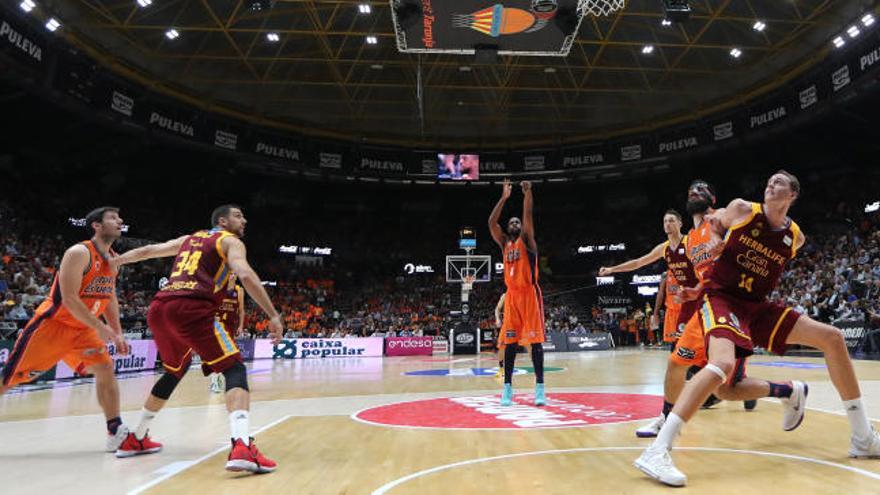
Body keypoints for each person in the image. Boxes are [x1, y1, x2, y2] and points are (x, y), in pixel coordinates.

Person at [635, 171, 880, 487]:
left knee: (832, 338)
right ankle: (657, 450)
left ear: (792, 194)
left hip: (756, 306)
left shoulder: (795, 237)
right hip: (722, 298)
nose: (770, 185)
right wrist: (715, 243)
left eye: (779, 183)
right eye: (768, 181)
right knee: (721, 367)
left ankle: (862, 437)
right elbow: (715, 223)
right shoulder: (742, 209)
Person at [112, 205, 284, 474]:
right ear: (223, 220)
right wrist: (273, 315)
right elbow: (246, 274)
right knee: (234, 368)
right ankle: (242, 445)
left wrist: (113, 262)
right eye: (239, 216)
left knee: (174, 371)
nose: (244, 220)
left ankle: (137, 437)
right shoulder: (230, 241)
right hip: (192, 307)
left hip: (159, 308)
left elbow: (147, 252)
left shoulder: (188, 240)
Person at [0, 207, 132, 452]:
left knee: (105, 369)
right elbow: (69, 299)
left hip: (83, 330)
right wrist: (101, 327)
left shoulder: (114, 260)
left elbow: (109, 296)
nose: (120, 221)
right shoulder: (79, 252)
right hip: (53, 326)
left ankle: (116, 431)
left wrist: (117, 332)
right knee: (9, 379)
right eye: (113, 217)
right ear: (96, 225)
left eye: (119, 217)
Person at [489, 179, 546, 407]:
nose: (515, 223)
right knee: (510, 344)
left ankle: (540, 388)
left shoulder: (527, 241)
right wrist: (504, 197)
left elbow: (528, 215)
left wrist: (527, 193)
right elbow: (491, 222)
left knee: (537, 344)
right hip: (512, 296)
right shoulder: (504, 244)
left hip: (530, 295)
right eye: (511, 221)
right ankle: (507, 389)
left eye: (517, 222)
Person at [211, 277, 245, 394]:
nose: (232, 275)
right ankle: (215, 381)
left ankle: (226, 380)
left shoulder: (239, 290)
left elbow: (241, 310)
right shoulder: (219, 287)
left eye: (234, 273)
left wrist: (240, 326)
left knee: (229, 355)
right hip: (217, 324)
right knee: (218, 353)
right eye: (230, 273)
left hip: (230, 326)